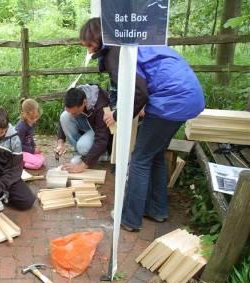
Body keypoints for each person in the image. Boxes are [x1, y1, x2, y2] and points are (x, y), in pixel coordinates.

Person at [80, 18, 205, 231]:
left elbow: (139, 92)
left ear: (102, 37)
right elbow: (145, 83)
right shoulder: (130, 42)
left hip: (172, 99)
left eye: (89, 44)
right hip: (188, 96)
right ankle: (157, 210)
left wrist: (118, 115)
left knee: (138, 159)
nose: (88, 49)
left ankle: (129, 218)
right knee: (154, 154)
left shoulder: (116, 53)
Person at [54, 85, 111, 173]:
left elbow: (101, 139)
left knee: (83, 147)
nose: (72, 115)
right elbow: (63, 121)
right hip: (87, 123)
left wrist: (81, 167)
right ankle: (79, 155)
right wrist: (60, 143)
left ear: (85, 102)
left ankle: (102, 153)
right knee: (64, 116)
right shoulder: (71, 98)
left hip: (98, 130)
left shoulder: (101, 106)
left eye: (75, 112)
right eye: (70, 111)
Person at [16, 99, 46, 169]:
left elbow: (30, 137)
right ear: (24, 114)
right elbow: (17, 145)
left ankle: (27, 161)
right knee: (38, 164)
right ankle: (20, 163)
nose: (35, 120)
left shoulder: (31, 123)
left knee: (42, 159)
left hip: (27, 151)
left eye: (36, 117)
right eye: (32, 118)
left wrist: (34, 147)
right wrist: (32, 151)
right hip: (20, 152)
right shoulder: (21, 128)